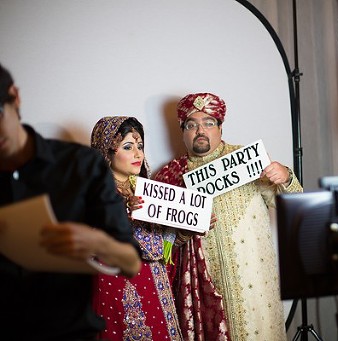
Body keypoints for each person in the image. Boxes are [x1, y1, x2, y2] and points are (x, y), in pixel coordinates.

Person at [0, 63, 142, 339]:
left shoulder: (80, 166)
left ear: (14, 97)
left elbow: (131, 261)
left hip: (68, 330)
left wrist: (96, 243)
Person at [154, 92, 302, 340]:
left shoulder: (248, 161)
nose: (200, 130)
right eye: (191, 125)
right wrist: (182, 233)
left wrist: (285, 177)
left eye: (208, 123)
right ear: (183, 132)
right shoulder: (170, 177)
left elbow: (295, 207)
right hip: (202, 294)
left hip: (254, 286)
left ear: (220, 128)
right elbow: (160, 247)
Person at [89, 116, 182, 340]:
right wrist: (123, 210)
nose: (138, 154)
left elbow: (163, 247)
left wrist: (189, 228)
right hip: (117, 284)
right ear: (106, 152)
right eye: (128, 147)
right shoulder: (93, 193)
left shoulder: (149, 192)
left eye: (140, 146)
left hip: (154, 282)